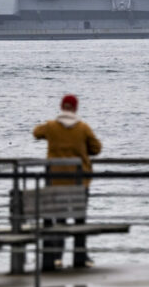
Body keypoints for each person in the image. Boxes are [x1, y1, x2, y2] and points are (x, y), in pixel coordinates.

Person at [32, 94, 102, 270]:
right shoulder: (83, 128)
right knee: (80, 220)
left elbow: (36, 132)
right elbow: (97, 148)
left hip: (55, 183)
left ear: (62, 107)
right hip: (79, 183)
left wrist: (52, 132)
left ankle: (56, 256)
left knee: (59, 220)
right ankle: (80, 257)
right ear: (76, 108)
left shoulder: (51, 126)